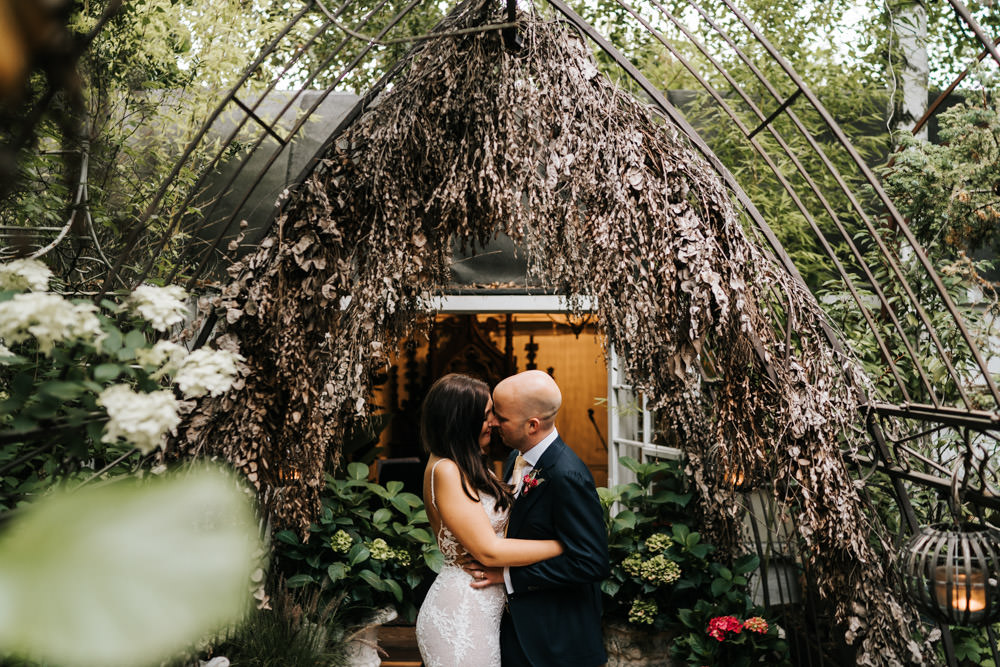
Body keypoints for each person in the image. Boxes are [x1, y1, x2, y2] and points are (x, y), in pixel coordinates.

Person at [415, 373, 564, 667]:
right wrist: (563, 545)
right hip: (461, 612)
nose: (494, 422)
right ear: (462, 420)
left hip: (482, 608)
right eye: (486, 416)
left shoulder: (467, 463)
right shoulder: (445, 470)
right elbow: (489, 551)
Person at [467, 369, 610, 667]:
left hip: (558, 641)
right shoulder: (515, 458)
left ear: (532, 425)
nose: (492, 423)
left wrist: (508, 577)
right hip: (521, 629)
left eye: (501, 418)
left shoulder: (566, 475)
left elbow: (590, 561)